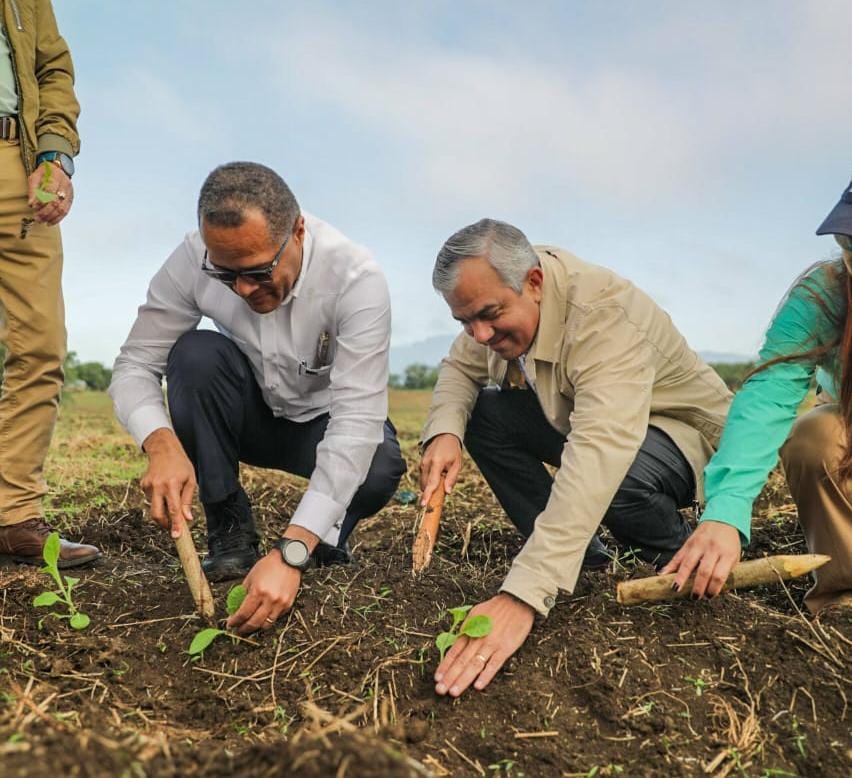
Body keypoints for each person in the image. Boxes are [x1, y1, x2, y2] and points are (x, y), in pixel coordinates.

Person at [419, 219, 732, 698]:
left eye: (487, 315)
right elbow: (460, 368)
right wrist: (444, 433)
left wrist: (523, 593)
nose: (479, 334)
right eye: (464, 322)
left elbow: (597, 454)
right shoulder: (499, 290)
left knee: (618, 483)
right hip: (583, 421)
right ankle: (585, 562)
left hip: (679, 432)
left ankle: (676, 553)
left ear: (535, 283)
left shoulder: (603, 316)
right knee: (480, 416)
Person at [109, 162, 405, 634]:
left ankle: (324, 537)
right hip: (251, 415)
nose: (244, 289)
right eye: (227, 276)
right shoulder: (192, 259)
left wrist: (293, 550)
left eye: (259, 271)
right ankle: (229, 528)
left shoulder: (356, 279)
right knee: (195, 356)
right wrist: (160, 442)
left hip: (320, 424)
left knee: (378, 464)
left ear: (299, 232)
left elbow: (356, 423)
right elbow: (134, 365)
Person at [663, 178, 852, 613]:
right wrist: (726, 509)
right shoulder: (826, 292)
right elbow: (770, 391)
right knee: (817, 436)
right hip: (848, 415)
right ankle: (843, 599)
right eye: (848, 240)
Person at [0, 0, 100, 567]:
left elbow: (52, 68)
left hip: (18, 164)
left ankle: (13, 517)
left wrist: (54, 154)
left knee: (39, 346)